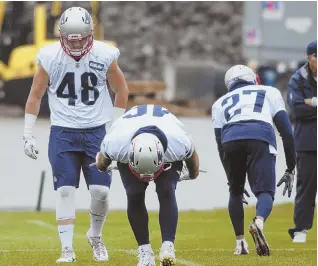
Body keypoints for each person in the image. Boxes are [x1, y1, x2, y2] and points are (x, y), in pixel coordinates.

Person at [23, 7, 129, 263]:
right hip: (63, 133)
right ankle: (67, 248)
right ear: (62, 35)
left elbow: (121, 89)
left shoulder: (104, 53)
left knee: (101, 193)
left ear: (90, 34)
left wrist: (115, 128)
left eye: (81, 38)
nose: (77, 43)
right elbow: (35, 95)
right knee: (65, 191)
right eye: (72, 38)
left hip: (96, 133)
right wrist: (28, 133)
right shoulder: (49, 56)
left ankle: (95, 236)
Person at [93, 104, 200, 266]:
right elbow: (102, 162)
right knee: (134, 193)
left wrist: (193, 174)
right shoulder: (116, 144)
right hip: (129, 140)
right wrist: (101, 165)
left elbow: (193, 158)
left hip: (166, 144)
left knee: (166, 189)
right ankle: (144, 251)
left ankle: (168, 245)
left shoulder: (177, 143)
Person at [212, 65, 296, 256]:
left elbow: (219, 145)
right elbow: (287, 132)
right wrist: (291, 167)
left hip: (230, 139)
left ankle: (240, 244)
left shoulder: (219, 103)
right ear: (253, 78)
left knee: (235, 192)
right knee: (265, 192)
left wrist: (231, 178)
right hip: (260, 135)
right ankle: (258, 222)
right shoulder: (270, 91)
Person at [287, 40, 317, 243]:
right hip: (307, 141)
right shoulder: (298, 79)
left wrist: (312, 102)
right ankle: (300, 230)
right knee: (306, 185)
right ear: (310, 57)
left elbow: (304, 106)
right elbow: (296, 109)